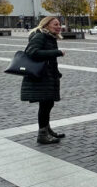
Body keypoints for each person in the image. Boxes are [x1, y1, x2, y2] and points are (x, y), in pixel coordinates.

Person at [21, 16, 65, 144]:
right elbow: (32, 52)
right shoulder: (41, 36)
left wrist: (56, 73)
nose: (58, 26)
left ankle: (47, 130)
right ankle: (42, 135)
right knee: (45, 105)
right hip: (41, 77)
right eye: (55, 24)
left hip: (47, 76)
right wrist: (56, 52)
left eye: (59, 24)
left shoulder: (48, 36)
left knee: (48, 104)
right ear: (46, 25)